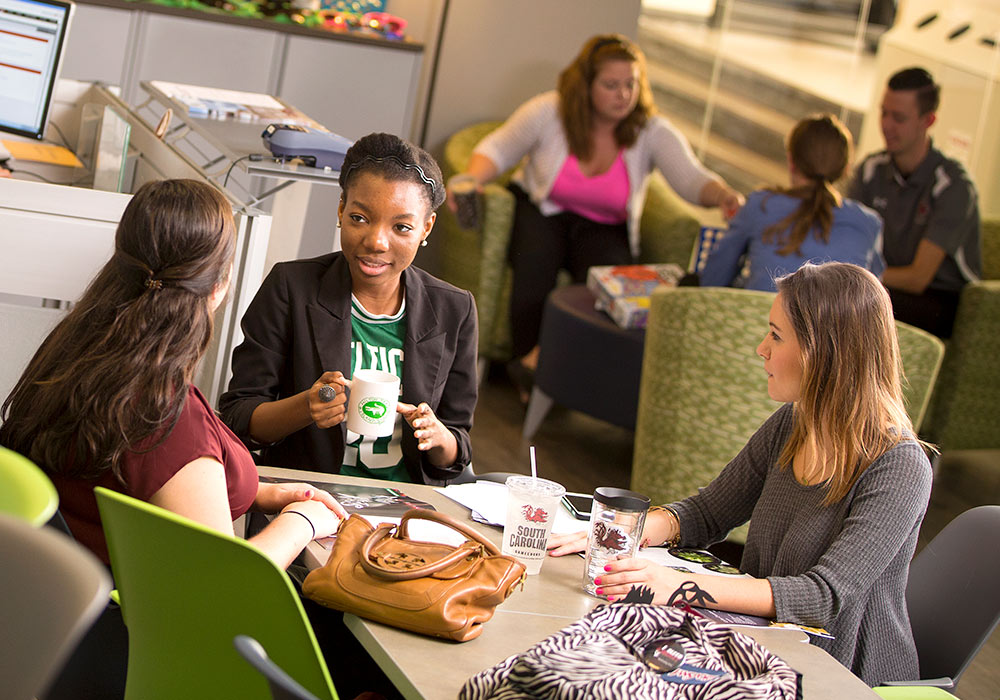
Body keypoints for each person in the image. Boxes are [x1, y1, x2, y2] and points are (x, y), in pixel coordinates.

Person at [549, 262, 933, 686]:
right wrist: (622, 532)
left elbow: (821, 597)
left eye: (776, 336)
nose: (761, 349)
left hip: (844, 679)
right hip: (764, 650)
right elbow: (707, 513)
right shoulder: (792, 424)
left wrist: (678, 585)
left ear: (825, 352)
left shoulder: (899, 466)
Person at [0, 179, 346, 570]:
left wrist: (259, 492)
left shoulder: (71, 354)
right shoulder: (165, 418)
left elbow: (142, 481)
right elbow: (226, 583)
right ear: (218, 286)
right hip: (127, 605)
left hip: (47, 589)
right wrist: (302, 522)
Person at [445, 33, 743, 400]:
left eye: (631, 84)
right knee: (535, 266)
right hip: (544, 209)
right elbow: (499, 148)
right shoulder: (549, 110)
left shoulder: (650, 130)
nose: (623, 94)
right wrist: (473, 178)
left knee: (606, 287)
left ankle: (542, 367)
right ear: (585, 85)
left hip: (604, 226)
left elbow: (691, 177)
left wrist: (724, 196)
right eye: (611, 85)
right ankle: (525, 376)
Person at [218, 132, 477, 484]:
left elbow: (457, 446)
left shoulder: (454, 309)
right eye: (359, 218)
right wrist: (306, 406)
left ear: (426, 227)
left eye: (401, 227)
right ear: (341, 210)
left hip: (408, 504)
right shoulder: (291, 288)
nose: (376, 242)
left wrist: (439, 437)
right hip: (308, 496)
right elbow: (238, 417)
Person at [848, 66, 981, 338]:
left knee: (855, 303)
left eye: (898, 118)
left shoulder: (953, 186)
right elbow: (847, 238)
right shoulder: (871, 170)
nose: (886, 125)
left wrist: (858, 272)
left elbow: (918, 278)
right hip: (883, 285)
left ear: (928, 120)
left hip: (939, 299)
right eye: (883, 113)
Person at [701, 114, 884, 291]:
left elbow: (713, 280)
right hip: (834, 315)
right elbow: (873, 298)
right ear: (846, 169)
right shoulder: (869, 224)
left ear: (791, 160)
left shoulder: (761, 205)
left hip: (764, 312)